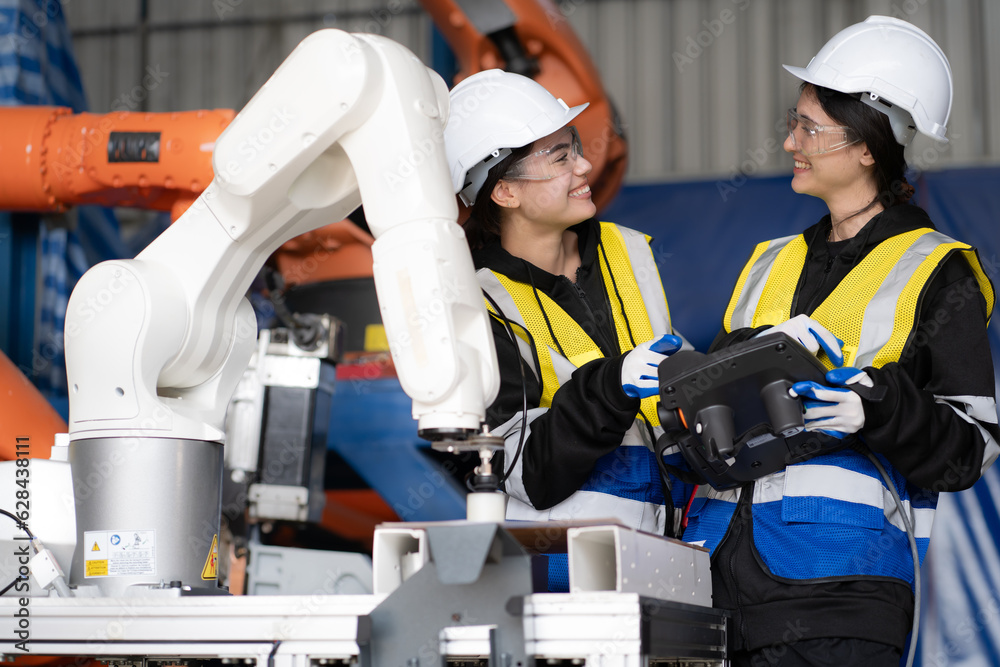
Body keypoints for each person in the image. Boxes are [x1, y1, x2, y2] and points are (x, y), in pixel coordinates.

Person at [681, 16, 998, 666]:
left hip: (837, 593)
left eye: (810, 128)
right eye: (793, 121)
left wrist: (879, 410)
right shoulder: (768, 261)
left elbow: (975, 445)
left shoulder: (938, 270)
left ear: (867, 148)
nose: (791, 141)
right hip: (712, 582)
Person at [443, 69, 695, 591]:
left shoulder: (628, 251)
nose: (584, 165)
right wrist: (611, 385)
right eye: (559, 157)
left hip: (658, 561)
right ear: (506, 191)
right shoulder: (478, 303)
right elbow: (525, 471)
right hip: (556, 580)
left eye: (574, 146)